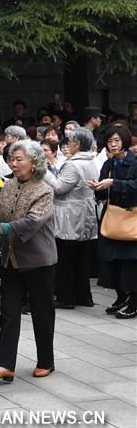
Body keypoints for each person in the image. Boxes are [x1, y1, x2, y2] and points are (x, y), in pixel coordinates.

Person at [0, 140, 57, 381]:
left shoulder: (44, 189)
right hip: (10, 259)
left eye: (19, 159)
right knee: (8, 312)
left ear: (35, 163)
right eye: (11, 158)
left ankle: (46, 361)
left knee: (42, 313)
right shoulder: (8, 185)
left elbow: (32, 222)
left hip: (38, 261)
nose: (14, 163)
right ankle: (4, 364)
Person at [43, 128, 97, 309]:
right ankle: (84, 296)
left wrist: (44, 171)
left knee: (65, 258)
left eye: (70, 142)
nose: (67, 146)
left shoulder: (73, 164)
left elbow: (58, 188)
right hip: (84, 213)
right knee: (81, 258)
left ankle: (66, 297)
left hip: (70, 215)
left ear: (78, 144)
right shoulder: (91, 161)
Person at [89, 126, 137, 318]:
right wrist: (96, 188)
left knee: (131, 264)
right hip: (112, 218)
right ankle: (120, 297)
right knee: (111, 262)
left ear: (125, 141)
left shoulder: (134, 161)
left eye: (117, 140)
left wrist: (114, 183)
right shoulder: (108, 164)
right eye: (110, 141)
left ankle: (134, 302)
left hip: (130, 218)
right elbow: (102, 192)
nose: (114, 144)